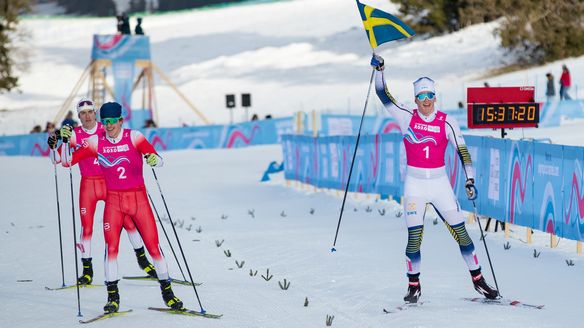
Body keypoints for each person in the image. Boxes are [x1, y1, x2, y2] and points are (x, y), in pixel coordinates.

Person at [371, 55, 499, 303]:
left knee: (462, 234)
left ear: (435, 97)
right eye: (421, 97)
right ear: (415, 99)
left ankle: (478, 281)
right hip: (415, 186)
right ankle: (413, 286)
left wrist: (469, 179)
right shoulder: (406, 116)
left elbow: (462, 151)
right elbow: (382, 94)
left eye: (430, 96)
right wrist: (380, 70)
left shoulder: (447, 121)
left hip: (440, 185)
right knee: (414, 238)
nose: (426, 101)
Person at [60, 102, 184, 313]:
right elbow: (66, 162)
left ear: (120, 120)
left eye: (112, 121)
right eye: (105, 121)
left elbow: (158, 159)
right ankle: (113, 297)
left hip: (139, 201)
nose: (108, 126)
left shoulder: (133, 136)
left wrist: (154, 159)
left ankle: (168, 293)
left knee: (154, 248)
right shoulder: (95, 141)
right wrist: (64, 141)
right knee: (112, 249)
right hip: (114, 202)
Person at [47, 98, 158, 287]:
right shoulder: (75, 134)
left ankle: (143, 261)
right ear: (79, 116)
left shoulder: (106, 128)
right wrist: (53, 145)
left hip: (110, 185)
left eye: (90, 112)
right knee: (87, 227)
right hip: (88, 185)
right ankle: (87, 271)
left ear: (95, 113)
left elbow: (129, 145)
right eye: (83, 113)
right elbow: (57, 159)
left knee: (129, 222)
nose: (87, 116)